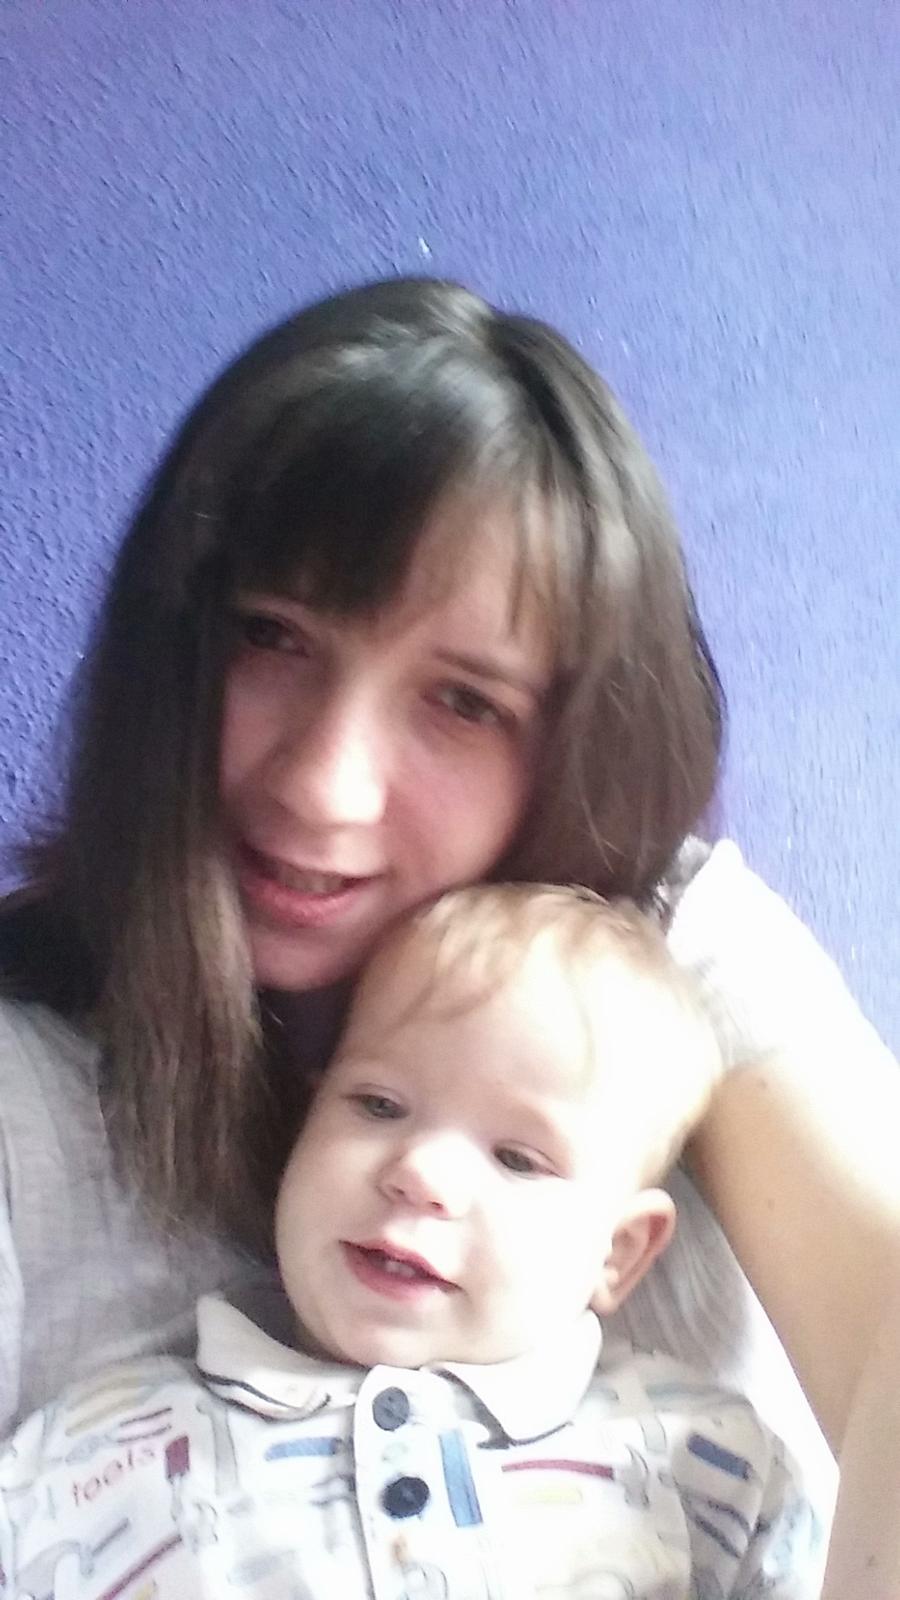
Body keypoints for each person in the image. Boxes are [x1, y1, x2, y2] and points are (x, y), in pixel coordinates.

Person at [0, 277, 897, 1522]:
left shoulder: (674, 954)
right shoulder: (25, 1085)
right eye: (272, 637)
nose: (323, 785)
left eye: (464, 702)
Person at [0, 886, 824, 1598]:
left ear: (617, 1253)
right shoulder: (92, 1454)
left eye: (517, 1159)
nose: (419, 1172)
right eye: (378, 1106)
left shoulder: (710, 1466)